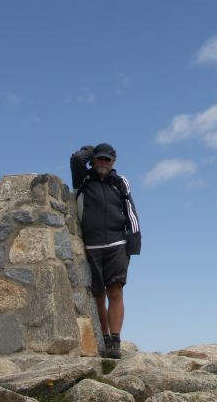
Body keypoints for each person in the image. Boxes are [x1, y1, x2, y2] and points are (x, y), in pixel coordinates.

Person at [70, 143, 141, 359]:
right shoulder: (83, 179)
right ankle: (104, 337)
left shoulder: (120, 182)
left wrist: (134, 242)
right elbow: (76, 160)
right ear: (93, 160)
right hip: (91, 246)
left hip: (117, 244)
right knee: (98, 296)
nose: (102, 163)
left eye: (107, 159)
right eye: (99, 159)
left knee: (116, 292)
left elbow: (130, 211)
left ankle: (115, 341)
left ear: (114, 161)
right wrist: (89, 152)